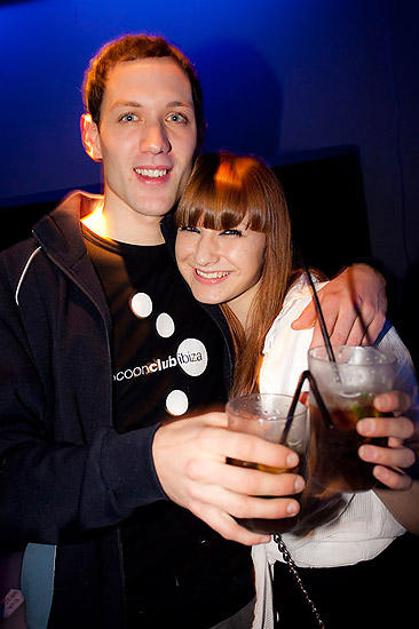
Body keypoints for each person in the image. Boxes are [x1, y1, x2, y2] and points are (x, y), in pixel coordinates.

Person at [0, 34, 390, 629]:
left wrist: (361, 276)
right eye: (129, 116)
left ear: (197, 134)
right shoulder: (25, 280)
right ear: (91, 135)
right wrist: (150, 462)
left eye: (175, 117)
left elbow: (279, 292)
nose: (155, 140)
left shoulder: (202, 261)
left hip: (248, 601)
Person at [174, 151, 419, 629]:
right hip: (277, 583)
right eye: (191, 228)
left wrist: (376, 458)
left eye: (230, 232)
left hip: (358, 586)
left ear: (272, 238)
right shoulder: (213, 333)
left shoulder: (331, 326)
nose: (203, 254)